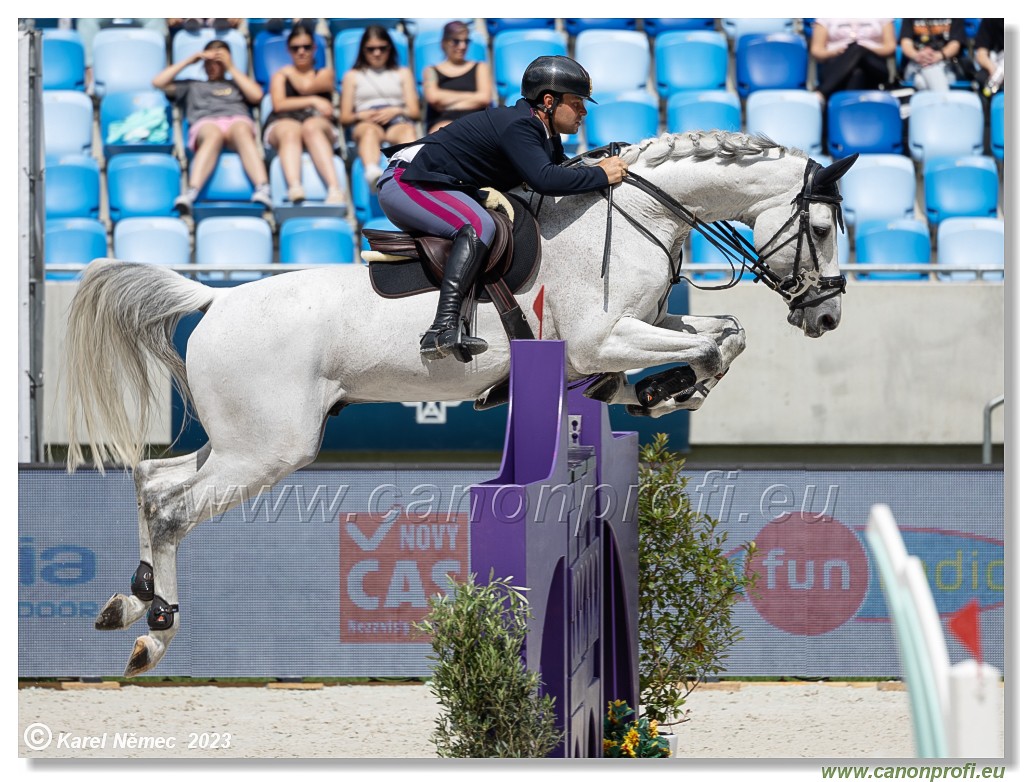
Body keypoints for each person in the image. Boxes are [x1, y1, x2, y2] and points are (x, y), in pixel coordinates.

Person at [376, 55, 628, 362]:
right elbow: (546, 180)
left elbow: (563, 172)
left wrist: (599, 165)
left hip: (433, 182)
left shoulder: (545, 134)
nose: (583, 111)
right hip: (406, 181)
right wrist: (601, 173)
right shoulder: (521, 126)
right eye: (577, 102)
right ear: (549, 101)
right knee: (481, 225)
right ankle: (442, 329)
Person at [152, 39, 272, 215]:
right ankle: (191, 191)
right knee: (213, 134)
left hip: (236, 121)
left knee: (241, 130)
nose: (213, 66)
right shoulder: (192, 85)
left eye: (218, 62)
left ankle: (263, 188)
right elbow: (158, 82)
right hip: (206, 123)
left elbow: (257, 96)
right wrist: (190, 60)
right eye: (209, 62)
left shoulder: (236, 84)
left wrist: (231, 67)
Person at [263, 24, 345, 204]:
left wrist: (290, 74)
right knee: (290, 129)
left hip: (317, 124)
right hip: (284, 121)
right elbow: (279, 105)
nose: (301, 52)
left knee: (310, 126)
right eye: (295, 48)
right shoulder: (280, 75)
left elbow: (305, 88)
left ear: (315, 48)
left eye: (306, 47)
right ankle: (294, 187)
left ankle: (335, 189)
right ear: (288, 50)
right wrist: (314, 101)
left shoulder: (325, 74)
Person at [339, 26, 420, 185]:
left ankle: (409, 176)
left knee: (407, 131)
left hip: (396, 121)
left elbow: (415, 112)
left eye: (382, 48)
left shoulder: (402, 73)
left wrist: (396, 111)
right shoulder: (352, 76)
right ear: (363, 50)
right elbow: (345, 117)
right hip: (366, 122)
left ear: (389, 48)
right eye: (371, 49)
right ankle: (372, 174)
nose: (377, 53)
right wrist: (360, 116)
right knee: (369, 132)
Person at [422, 21, 492, 133]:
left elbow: (484, 98)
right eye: (456, 41)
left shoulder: (480, 67)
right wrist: (473, 97)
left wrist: (446, 102)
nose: (462, 46)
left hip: (476, 121)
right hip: (442, 122)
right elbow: (433, 98)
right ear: (445, 42)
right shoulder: (431, 71)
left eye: (466, 41)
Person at [810, 19, 897, 101]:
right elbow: (816, 50)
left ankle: (822, 93)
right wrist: (835, 52)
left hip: (874, 64)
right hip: (836, 64)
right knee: (857, 72)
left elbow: (890, 47)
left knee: (857, 48)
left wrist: (865, 49)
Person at [899, 18, 967, 92]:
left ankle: (939, 101)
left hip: (946, 65)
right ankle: (943, 101)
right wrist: (918, 56)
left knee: (921, 81)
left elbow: (955, 45)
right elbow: (906, 43)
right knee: (929, 67)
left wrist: (939, 56)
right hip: (915, 65)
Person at [973, 18, 1004, 96]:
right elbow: (981, 54)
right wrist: (994, 72)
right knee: (981, 78)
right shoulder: (990, 19)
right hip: (997, 65)